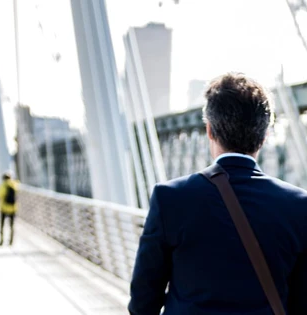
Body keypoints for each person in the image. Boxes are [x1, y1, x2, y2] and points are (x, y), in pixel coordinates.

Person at [128, 73, 307, 314]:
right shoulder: (298, 205)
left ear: (210, 131)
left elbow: (143, 301)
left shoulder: (170, 198)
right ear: (264, 137)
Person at [0, 172, 18, 246]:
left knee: (2, 225)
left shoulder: (3, 185)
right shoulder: (14, 184)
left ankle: (2, 240)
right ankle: (11, 241)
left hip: (4, 208)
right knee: (11, 225)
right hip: (13, 208)